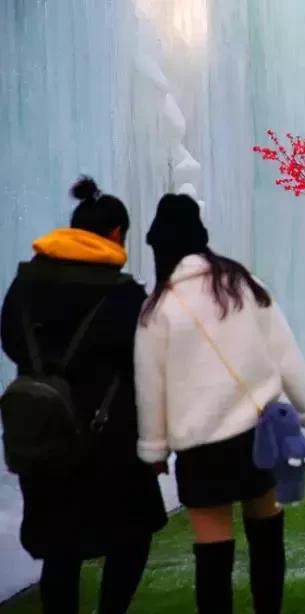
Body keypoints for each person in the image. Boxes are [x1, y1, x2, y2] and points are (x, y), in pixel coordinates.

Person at [134, 193, 305, 614]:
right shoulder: (242, 283)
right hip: (255, 436)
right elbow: (285, 352)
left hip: (199, 449)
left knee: (212, 553)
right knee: (266, 536)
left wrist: (153, 450)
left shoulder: (157, 310)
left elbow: (151, 389)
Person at [0, 177, 167, 614]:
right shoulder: (123, 296)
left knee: (60, 546)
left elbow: (12, 340)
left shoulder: (24, 283)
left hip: (41, 434)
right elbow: (144, 365)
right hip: (108, 443)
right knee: (131, 534)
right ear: (115, 234)